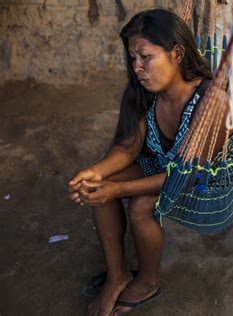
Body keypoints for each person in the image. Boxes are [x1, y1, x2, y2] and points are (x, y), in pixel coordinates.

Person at [68, 9, 217, 316]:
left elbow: (186, 175)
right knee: (100, 186)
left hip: (199, 180)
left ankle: (148, 280)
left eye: (145, 57)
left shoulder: (207, 102)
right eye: (132, 58)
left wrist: (120, 188)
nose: (137, 67)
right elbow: (129, 146)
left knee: (139, 205)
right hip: (159, 165)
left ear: (176, 53)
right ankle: (117, 275)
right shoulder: (144, 92)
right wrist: (93, 172)